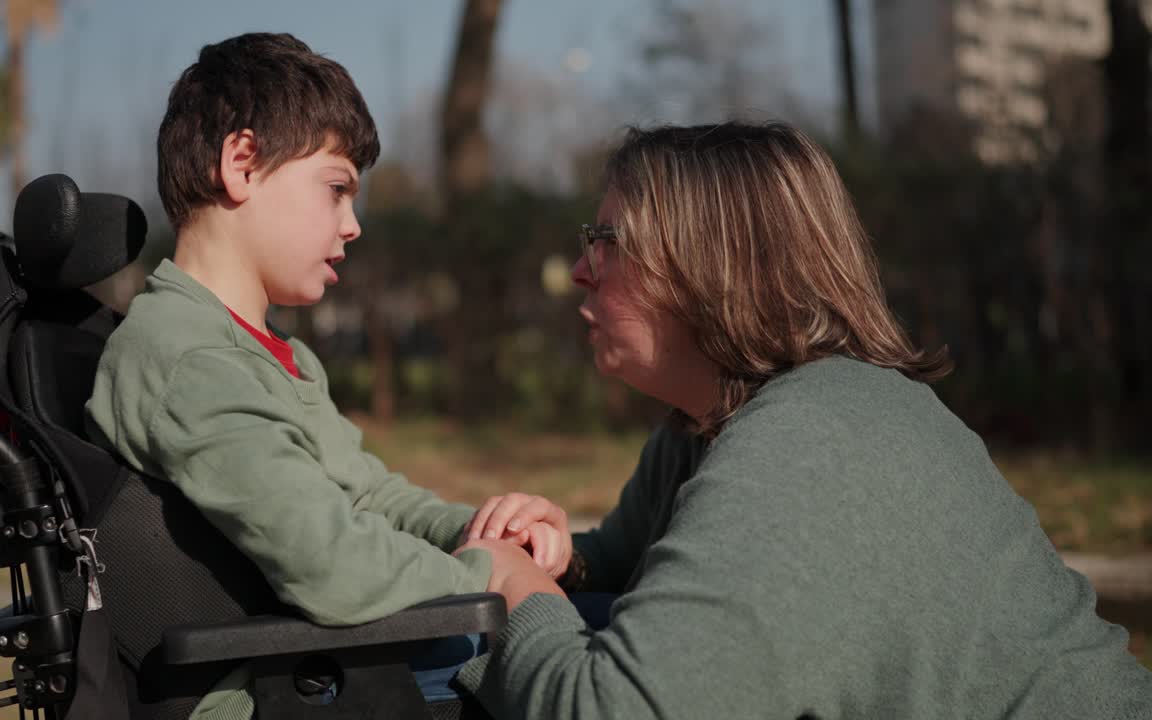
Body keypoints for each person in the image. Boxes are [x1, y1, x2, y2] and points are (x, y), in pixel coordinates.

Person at [455, 121, 1152, 719]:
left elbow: (619, 710)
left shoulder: (814, 442)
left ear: (709, 263)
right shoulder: (706, 426)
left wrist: (516, 586)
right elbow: (634, 559)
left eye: (605, 239)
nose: (581, 269)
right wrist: (562, 557)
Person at [83, 33, 571, 718]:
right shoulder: (188, 360)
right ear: (242, 163)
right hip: (274, 691)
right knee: (577, 678)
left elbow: (368, 498)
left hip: (327, 661)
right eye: (336, 190)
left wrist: (488, 533)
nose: (353, 226)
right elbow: (330, 564)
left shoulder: (273, 354)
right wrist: (491, 576)